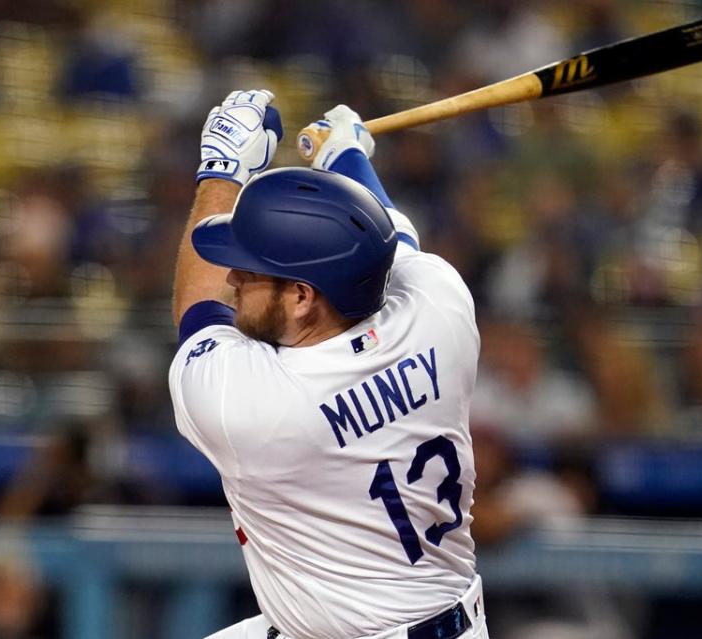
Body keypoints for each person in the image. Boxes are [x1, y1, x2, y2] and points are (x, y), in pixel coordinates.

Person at [168, 89, 487, 639]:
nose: (231, 279)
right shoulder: (440, 307)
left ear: (301, 297)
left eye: (250, 270)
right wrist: (345, 156)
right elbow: (388, 236)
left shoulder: (257, 407)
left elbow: (197, 310)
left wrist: (221, 171)